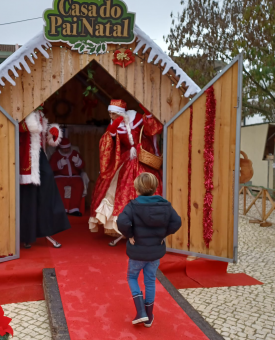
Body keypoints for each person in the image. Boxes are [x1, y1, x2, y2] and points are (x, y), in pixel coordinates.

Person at [89, 99, 163, 245]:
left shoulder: (136, 119)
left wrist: (148, 115)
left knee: (143, 188)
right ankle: (124, 227)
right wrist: (111, 132)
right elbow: (106, 146)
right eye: (109, 113)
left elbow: (153, 130)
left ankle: (145, 228)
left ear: (120, 112)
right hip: (125, 159)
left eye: (113, 113)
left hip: (143, 158)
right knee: (116, 187)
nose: (111, 116)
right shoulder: (114, 124)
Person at [117, 172, 182, 327]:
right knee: (150, 281)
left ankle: (141, 312)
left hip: (137, 251)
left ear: (137, 190)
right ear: (154, 188)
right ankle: (149, 316)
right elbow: (177, 222)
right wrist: (164, 234)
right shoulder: (165, 205)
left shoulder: (133, 205)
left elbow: (122, 221)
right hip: (154, 253)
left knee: (132, 278)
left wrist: (130, 234)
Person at [19, 105, 71, 248]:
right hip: (27, 162)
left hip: (38, 158)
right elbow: (18, 128)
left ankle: (45, 229)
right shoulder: (23, 113)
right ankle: (26, 236)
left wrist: (51, 133)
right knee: (28, 200)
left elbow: (44, 138)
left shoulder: (40, 115)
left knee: (46, 193)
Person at [50, 137, 85, 216]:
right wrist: (59, 164)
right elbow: (51, 167)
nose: (66, 150)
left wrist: (78, 162)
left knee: (79, 184)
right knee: (58, 185)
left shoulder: (75, 153)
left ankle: (74, 209)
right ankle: (62, 209)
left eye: (68, 148)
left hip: (74, 177)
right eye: (64, 149)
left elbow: (82, 165)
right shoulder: (56, 155)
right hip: (60, 177)